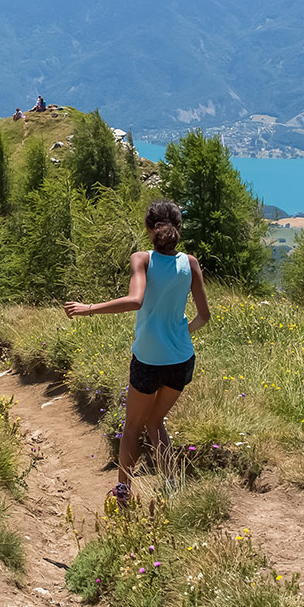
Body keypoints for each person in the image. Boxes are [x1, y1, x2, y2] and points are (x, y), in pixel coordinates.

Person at [64, 200, 210, 508]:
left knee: (133, 426)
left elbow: (135, 300)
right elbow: (203, 317)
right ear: (178, 229)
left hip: (148, 360)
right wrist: (180, 333)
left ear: (149, 229)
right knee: (156, 421)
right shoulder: (191, 263)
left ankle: (122, 492)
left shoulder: (142, 259)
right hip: (182, 359)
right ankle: (171, 487)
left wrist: (88, 308)